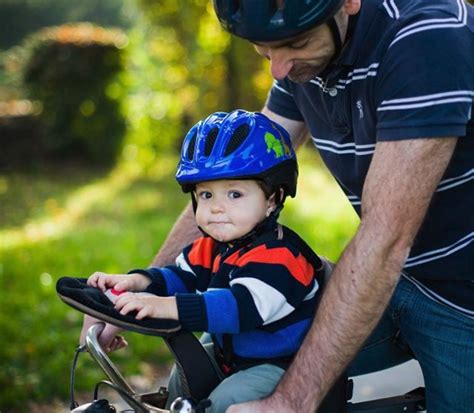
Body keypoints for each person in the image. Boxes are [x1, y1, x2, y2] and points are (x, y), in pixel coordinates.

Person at [80, 0, 473, 411]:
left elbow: (386, 236)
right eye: (263, 51)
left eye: (295, 44)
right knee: (219, 370)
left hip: (462, 292)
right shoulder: (303, 53)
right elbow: (237, 171)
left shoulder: (427, 35)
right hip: (391, 274)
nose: (278, 70)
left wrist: (292, 402)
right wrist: (137, 289)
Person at [83, 110, 326, 413]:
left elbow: (239, 308)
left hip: (281, 363)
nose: (217, 208)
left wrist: (168, 306)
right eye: (207, 194)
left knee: (225, 402)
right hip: (235, 355)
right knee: (180, 380)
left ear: (273, 199)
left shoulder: (282, 257)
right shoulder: (213, 247)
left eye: (235, 194)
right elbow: (179, 276)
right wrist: (136, 282)